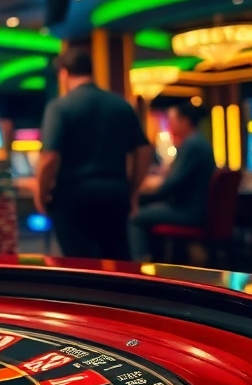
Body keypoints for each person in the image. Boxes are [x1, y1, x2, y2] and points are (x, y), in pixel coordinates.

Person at [35, 47, 154, 261]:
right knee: (118, 260)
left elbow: (50, 158)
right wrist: (132, 188)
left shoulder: (60, 107)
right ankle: (121, 295)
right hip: (115, 194)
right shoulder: (121, 105)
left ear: (64, 74)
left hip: (73, 197)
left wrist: (40, 193)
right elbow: (144, 150)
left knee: (80, 264)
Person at [129, 102, 217, 260]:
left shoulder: (192, 145)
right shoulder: (196, 142)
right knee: (146, 209)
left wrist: (144, 194)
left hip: (189, 212)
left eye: (172, 120)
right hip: (195, 208)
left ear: (185, 121)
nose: (169, 125)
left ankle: (140, 265)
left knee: (135, 217)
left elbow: (171, 186)